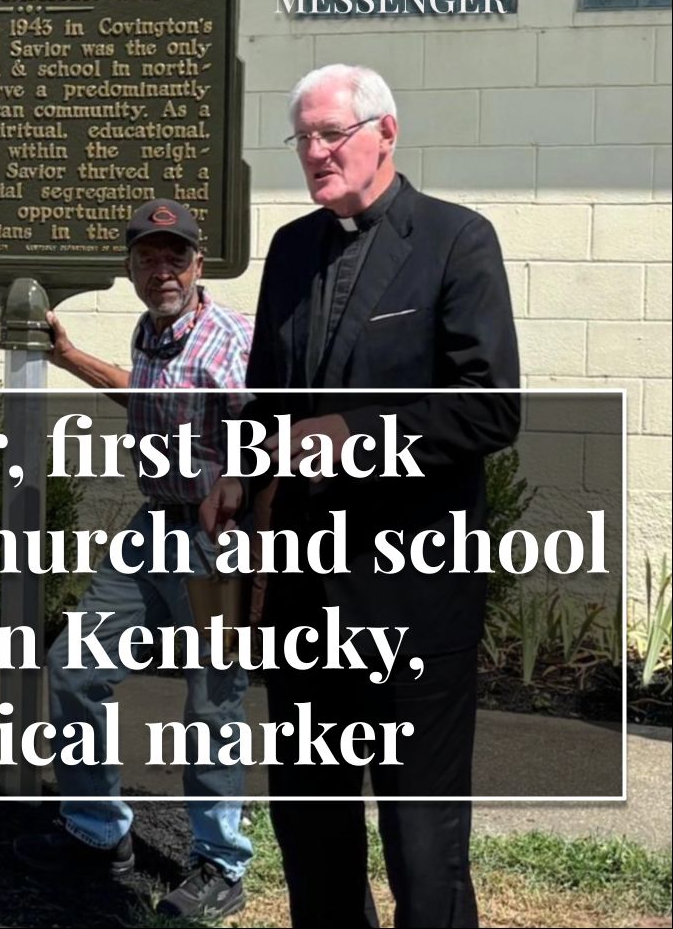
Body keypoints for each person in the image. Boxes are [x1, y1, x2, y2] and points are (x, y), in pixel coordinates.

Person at [201, 64, 520, 928]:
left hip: (413, 600)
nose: (314, 151)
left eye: (330, 134)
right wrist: (236, 469)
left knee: (423, 847)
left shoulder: (458, 240)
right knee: (312, 833)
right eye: (302, 137)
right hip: (302, 600)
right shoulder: (292, 250)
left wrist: (355, 437)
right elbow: (265, 396)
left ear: (386, 132)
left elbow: (491, 408)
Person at [14, 200, 254, 920]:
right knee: (76, 667)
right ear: (131, 269)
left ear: (199, 264)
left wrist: (238, 482)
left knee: (215, 701)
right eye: (148, 258)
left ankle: (219, 863)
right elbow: (141, 392)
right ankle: (97, 831)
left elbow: (272, 419)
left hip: (221, 538)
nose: (162, 270)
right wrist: (69, 356)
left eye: (174, 257)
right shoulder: (151, 332)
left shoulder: (230, 337)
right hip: (155, 526)